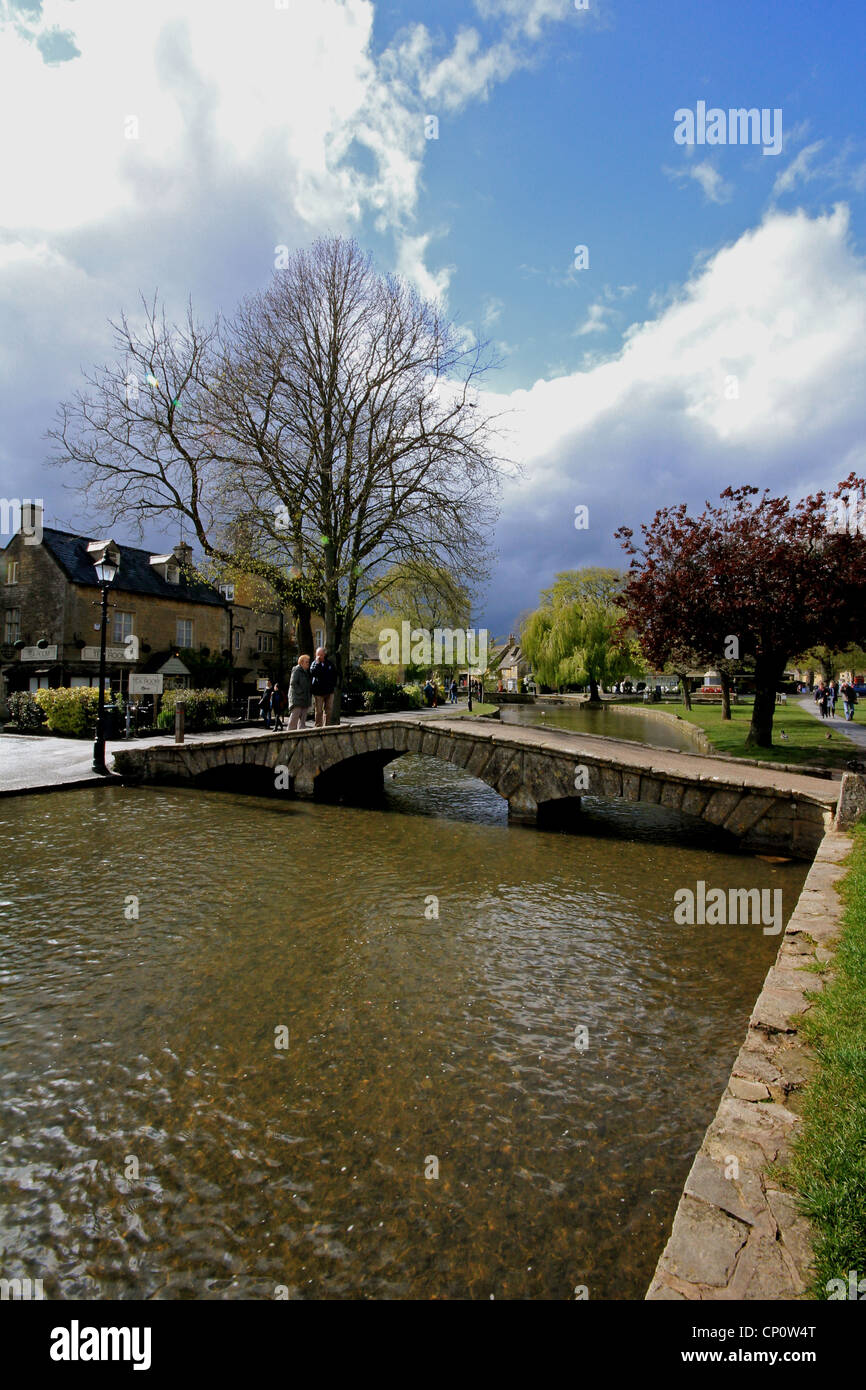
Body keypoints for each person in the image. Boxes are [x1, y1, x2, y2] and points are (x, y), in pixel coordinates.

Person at [310, 646, 337, 727]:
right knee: (318, 711)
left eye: (320, 655)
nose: (318, 656)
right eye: (317, 655)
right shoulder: (314, 664)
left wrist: (333, 685)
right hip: (318, 692)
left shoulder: (329, 664)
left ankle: (327, 726)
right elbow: (314, 673)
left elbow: (334, 675)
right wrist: (318, 663)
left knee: (329, 710)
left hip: (329, 691)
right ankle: (318, 727)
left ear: (324, 655)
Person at [287, 654, 312, 730]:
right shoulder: (296, 670)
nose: (308, 664)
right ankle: (289, 737)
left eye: (308, 662)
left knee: (303, 721)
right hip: (297, 699)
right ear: (301, 663)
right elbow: (293, 683)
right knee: (294, 720)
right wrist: (301, 692)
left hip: (304, 699)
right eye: (306, 662)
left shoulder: (306, 672)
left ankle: (301, 739)